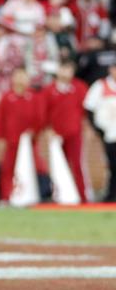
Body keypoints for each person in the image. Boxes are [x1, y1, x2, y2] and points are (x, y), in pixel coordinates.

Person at [0, 67, 46, 203]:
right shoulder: (6, 98)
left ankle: (32, 195)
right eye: (18, 76)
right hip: (10, 141)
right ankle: (6, 196)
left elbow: (40, 119)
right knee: (7, 169)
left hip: (29, 142)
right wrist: (0, 138)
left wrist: (34, 132)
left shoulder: (34, 97)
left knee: (35, 167)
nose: (21, 79)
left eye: (24, 76)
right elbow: (0, 119)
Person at [41, 59, 90, 202]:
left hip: (74, 133)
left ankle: (82, 197)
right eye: (63, 68)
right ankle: (60, 195)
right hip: (56, 134)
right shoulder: (49, 90)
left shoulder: (80, 87)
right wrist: (48, 129)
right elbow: (44, 112)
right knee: (57, 164)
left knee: (77, 164)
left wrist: (85, 129)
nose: (66, 72)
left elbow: (85, 112)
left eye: (69, 69)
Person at [83, 64, 116, 202]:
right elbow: (89, 108)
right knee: (113, 165)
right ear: (111, 69)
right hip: (108, 134)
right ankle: (111, 194)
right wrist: (98, 129)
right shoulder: (100, 85)